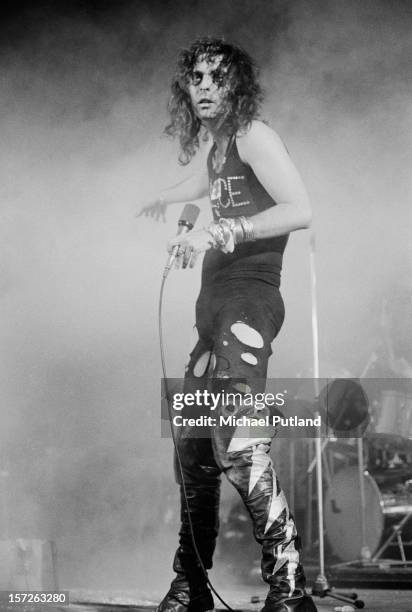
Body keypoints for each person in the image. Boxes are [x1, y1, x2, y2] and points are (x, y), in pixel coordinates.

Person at [140, 38, 316, 612]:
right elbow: (199, 186)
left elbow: (300, 209)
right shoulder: (217, 145)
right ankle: (191, 584)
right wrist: (162, 200)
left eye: (217, 76)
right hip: (212, 307)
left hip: (249, 304)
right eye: (196, 77)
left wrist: (218, 233)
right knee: (192, 446)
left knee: (239, 442)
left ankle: (289, 588)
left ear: (236, 83)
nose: (206, 86)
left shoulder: (253, 136)